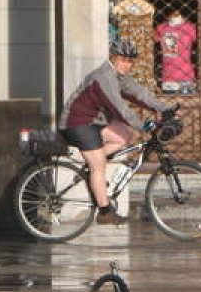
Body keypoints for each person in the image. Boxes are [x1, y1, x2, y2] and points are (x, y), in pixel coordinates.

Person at [59, 38, 176, 224]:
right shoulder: (104, 77)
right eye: (122, 60)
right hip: (77, 122)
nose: (126, 64)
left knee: (126, 135)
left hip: (95, 121)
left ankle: (94, 166)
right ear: (113, 58)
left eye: (130, 61)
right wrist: (143, 125)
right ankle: (105, 212)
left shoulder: (119, 76)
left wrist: (164, 108)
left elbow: (139, 93)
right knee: (99, 166)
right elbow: (119, 108)